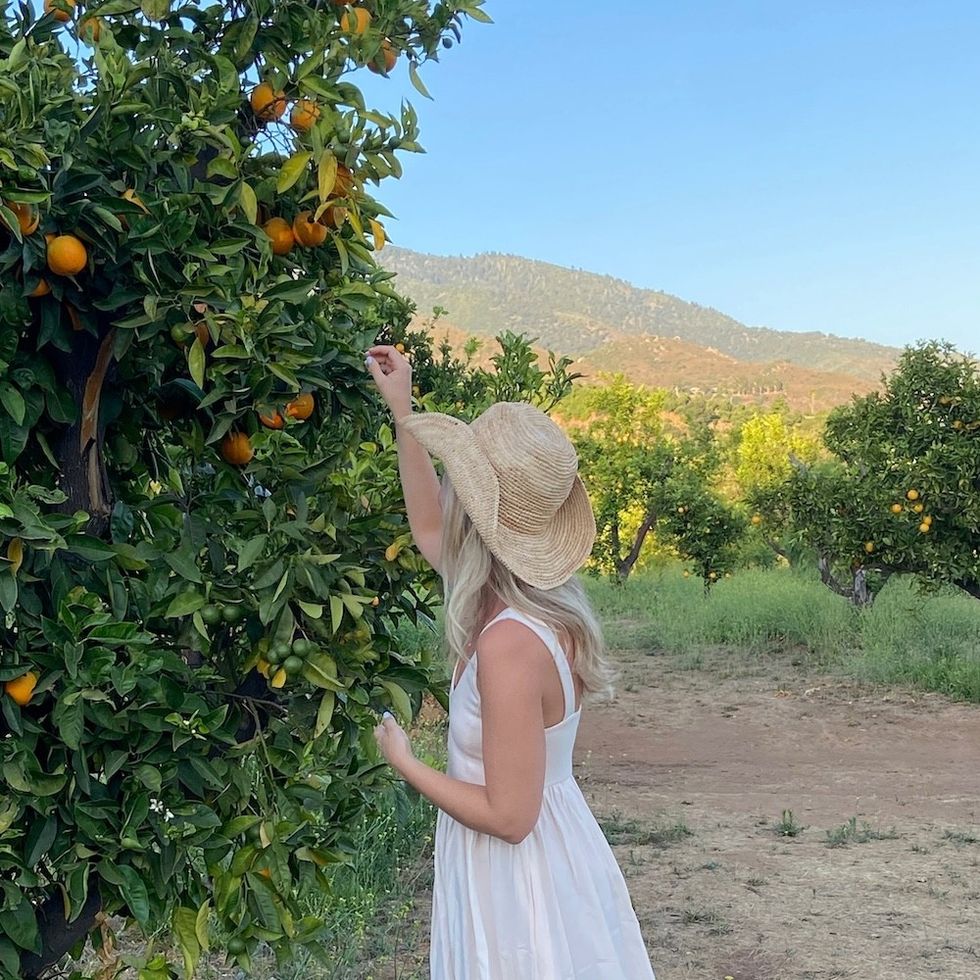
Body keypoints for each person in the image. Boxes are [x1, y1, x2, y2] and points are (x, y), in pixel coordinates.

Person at [365, 344, 657, 980]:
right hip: (539, 854)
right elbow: (428, 530)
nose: (449, 493)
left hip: (520, 876)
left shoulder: (508, 644)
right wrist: (402, 411)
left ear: (477, 510)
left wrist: (405, 763)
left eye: (459, 481)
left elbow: (510, 816)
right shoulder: (504, 599)